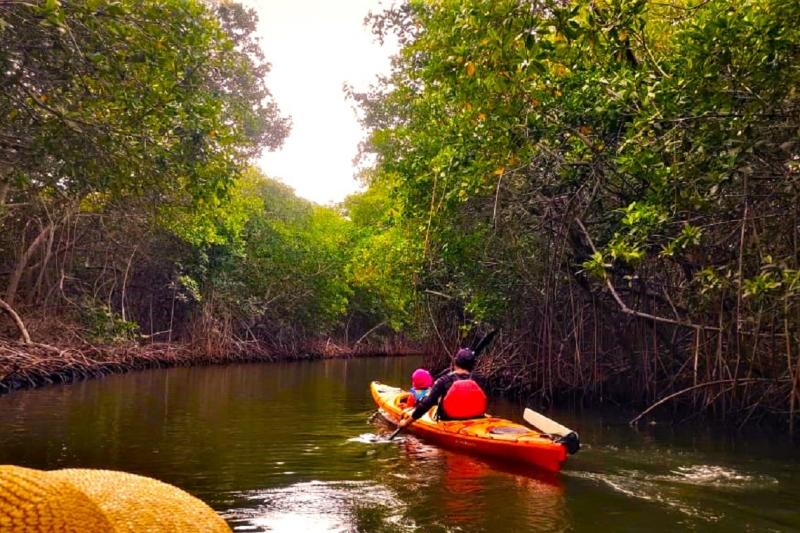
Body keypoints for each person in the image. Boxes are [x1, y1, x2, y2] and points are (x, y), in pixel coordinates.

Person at [397, 348, 487, 428]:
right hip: (476, 420)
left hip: (449, 422)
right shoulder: (480, 380)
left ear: (455, 362)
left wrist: (406, 422)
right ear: (472, 365)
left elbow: (426, 404)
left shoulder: (444, 381)